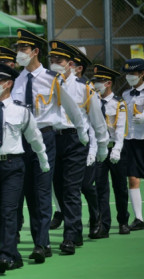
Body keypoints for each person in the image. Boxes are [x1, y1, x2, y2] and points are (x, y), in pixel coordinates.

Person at [11, 29, 87, 262]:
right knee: (27, 193)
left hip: (45, 137)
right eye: (18, 48)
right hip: (21, 139)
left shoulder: (51, 79)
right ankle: (39, 240)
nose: (19, 53)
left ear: (35, 51)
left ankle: (41, 244)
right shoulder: (16, 79)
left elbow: (72, 108)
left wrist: (82, 132)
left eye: (23, 49)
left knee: (43, 189)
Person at [0, 62, 50, 273]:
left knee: (8, 211)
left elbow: (34, 136)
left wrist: (43, 158)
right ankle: (14, 255)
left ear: (8, 83)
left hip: (13, 165)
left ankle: (4, 256)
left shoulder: (21, 111)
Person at [47, 41, 106, 253]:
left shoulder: (83, 88)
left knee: (71, 188)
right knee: (59, 189)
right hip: (53, 139)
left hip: (75, 140)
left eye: (59, 60)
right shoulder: (48, 84)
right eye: (52, 60)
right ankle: (77, 231)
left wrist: (101, 144)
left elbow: (96, 118)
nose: (54, 63)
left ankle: (70, 236)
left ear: (70, 64)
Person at [92, 64, 131, 236]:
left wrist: (117, 149)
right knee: (101, 187)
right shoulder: (93, 101)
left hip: (116, 149)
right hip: (100, 149)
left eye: (99, 81)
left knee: (120, 187)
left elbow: (121, 127)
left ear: (108, 83)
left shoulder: (118, 103)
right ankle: (104, 225)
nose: (95, 84)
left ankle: (123, 221)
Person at [122, 58, 144, 231]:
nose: (130, 77)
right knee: (132, 177)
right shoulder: (126, 95)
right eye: (128, 74)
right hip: (130, 139)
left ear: (142, 73)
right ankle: (139, 218)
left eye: (133, 73)